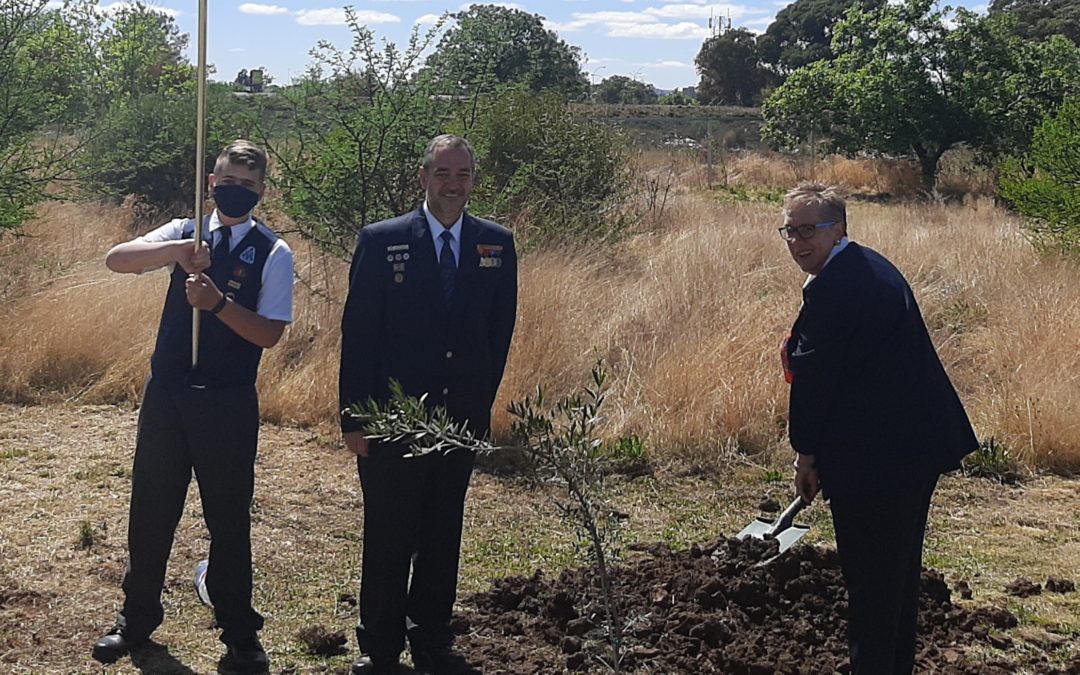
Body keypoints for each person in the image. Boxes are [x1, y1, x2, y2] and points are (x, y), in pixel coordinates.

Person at [92, 140, 294, 674]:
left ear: (261, 192)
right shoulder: (185, 231)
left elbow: (269, 334)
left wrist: (219, 304)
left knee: (228, 520)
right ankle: (135, 621)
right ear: (211, 182)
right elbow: (117, 260)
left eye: (248, 185)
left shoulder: (273, 252)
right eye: (228, 180)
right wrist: (175, 255)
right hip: (168, 399)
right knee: (152, 513)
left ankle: (239, 630)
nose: (236, 191)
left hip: (226, 403)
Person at [779, 183, 977, 674]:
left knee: (872, 583)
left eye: (809, 230)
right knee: (895, 578)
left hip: (880, 460)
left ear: (838, 228)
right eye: (789, 231)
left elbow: (813, 381)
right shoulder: (867, 265)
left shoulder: (839, 286)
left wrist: (806, 454)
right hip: (911, 447)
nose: (798, 242)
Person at [339, 134, 517, 675]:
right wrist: (354, 417)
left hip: (459, 419)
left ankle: (432, 639)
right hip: (393, 420)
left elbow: (498, 333)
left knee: (443, 532)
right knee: (389, 534)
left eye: (462, 174)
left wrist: (479, 406)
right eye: (443, 173)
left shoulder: (496, 243)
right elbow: (359, 334)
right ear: (423, 178)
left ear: (473, 180)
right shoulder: (382, 239)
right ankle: (381, 646)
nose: (453, 185)